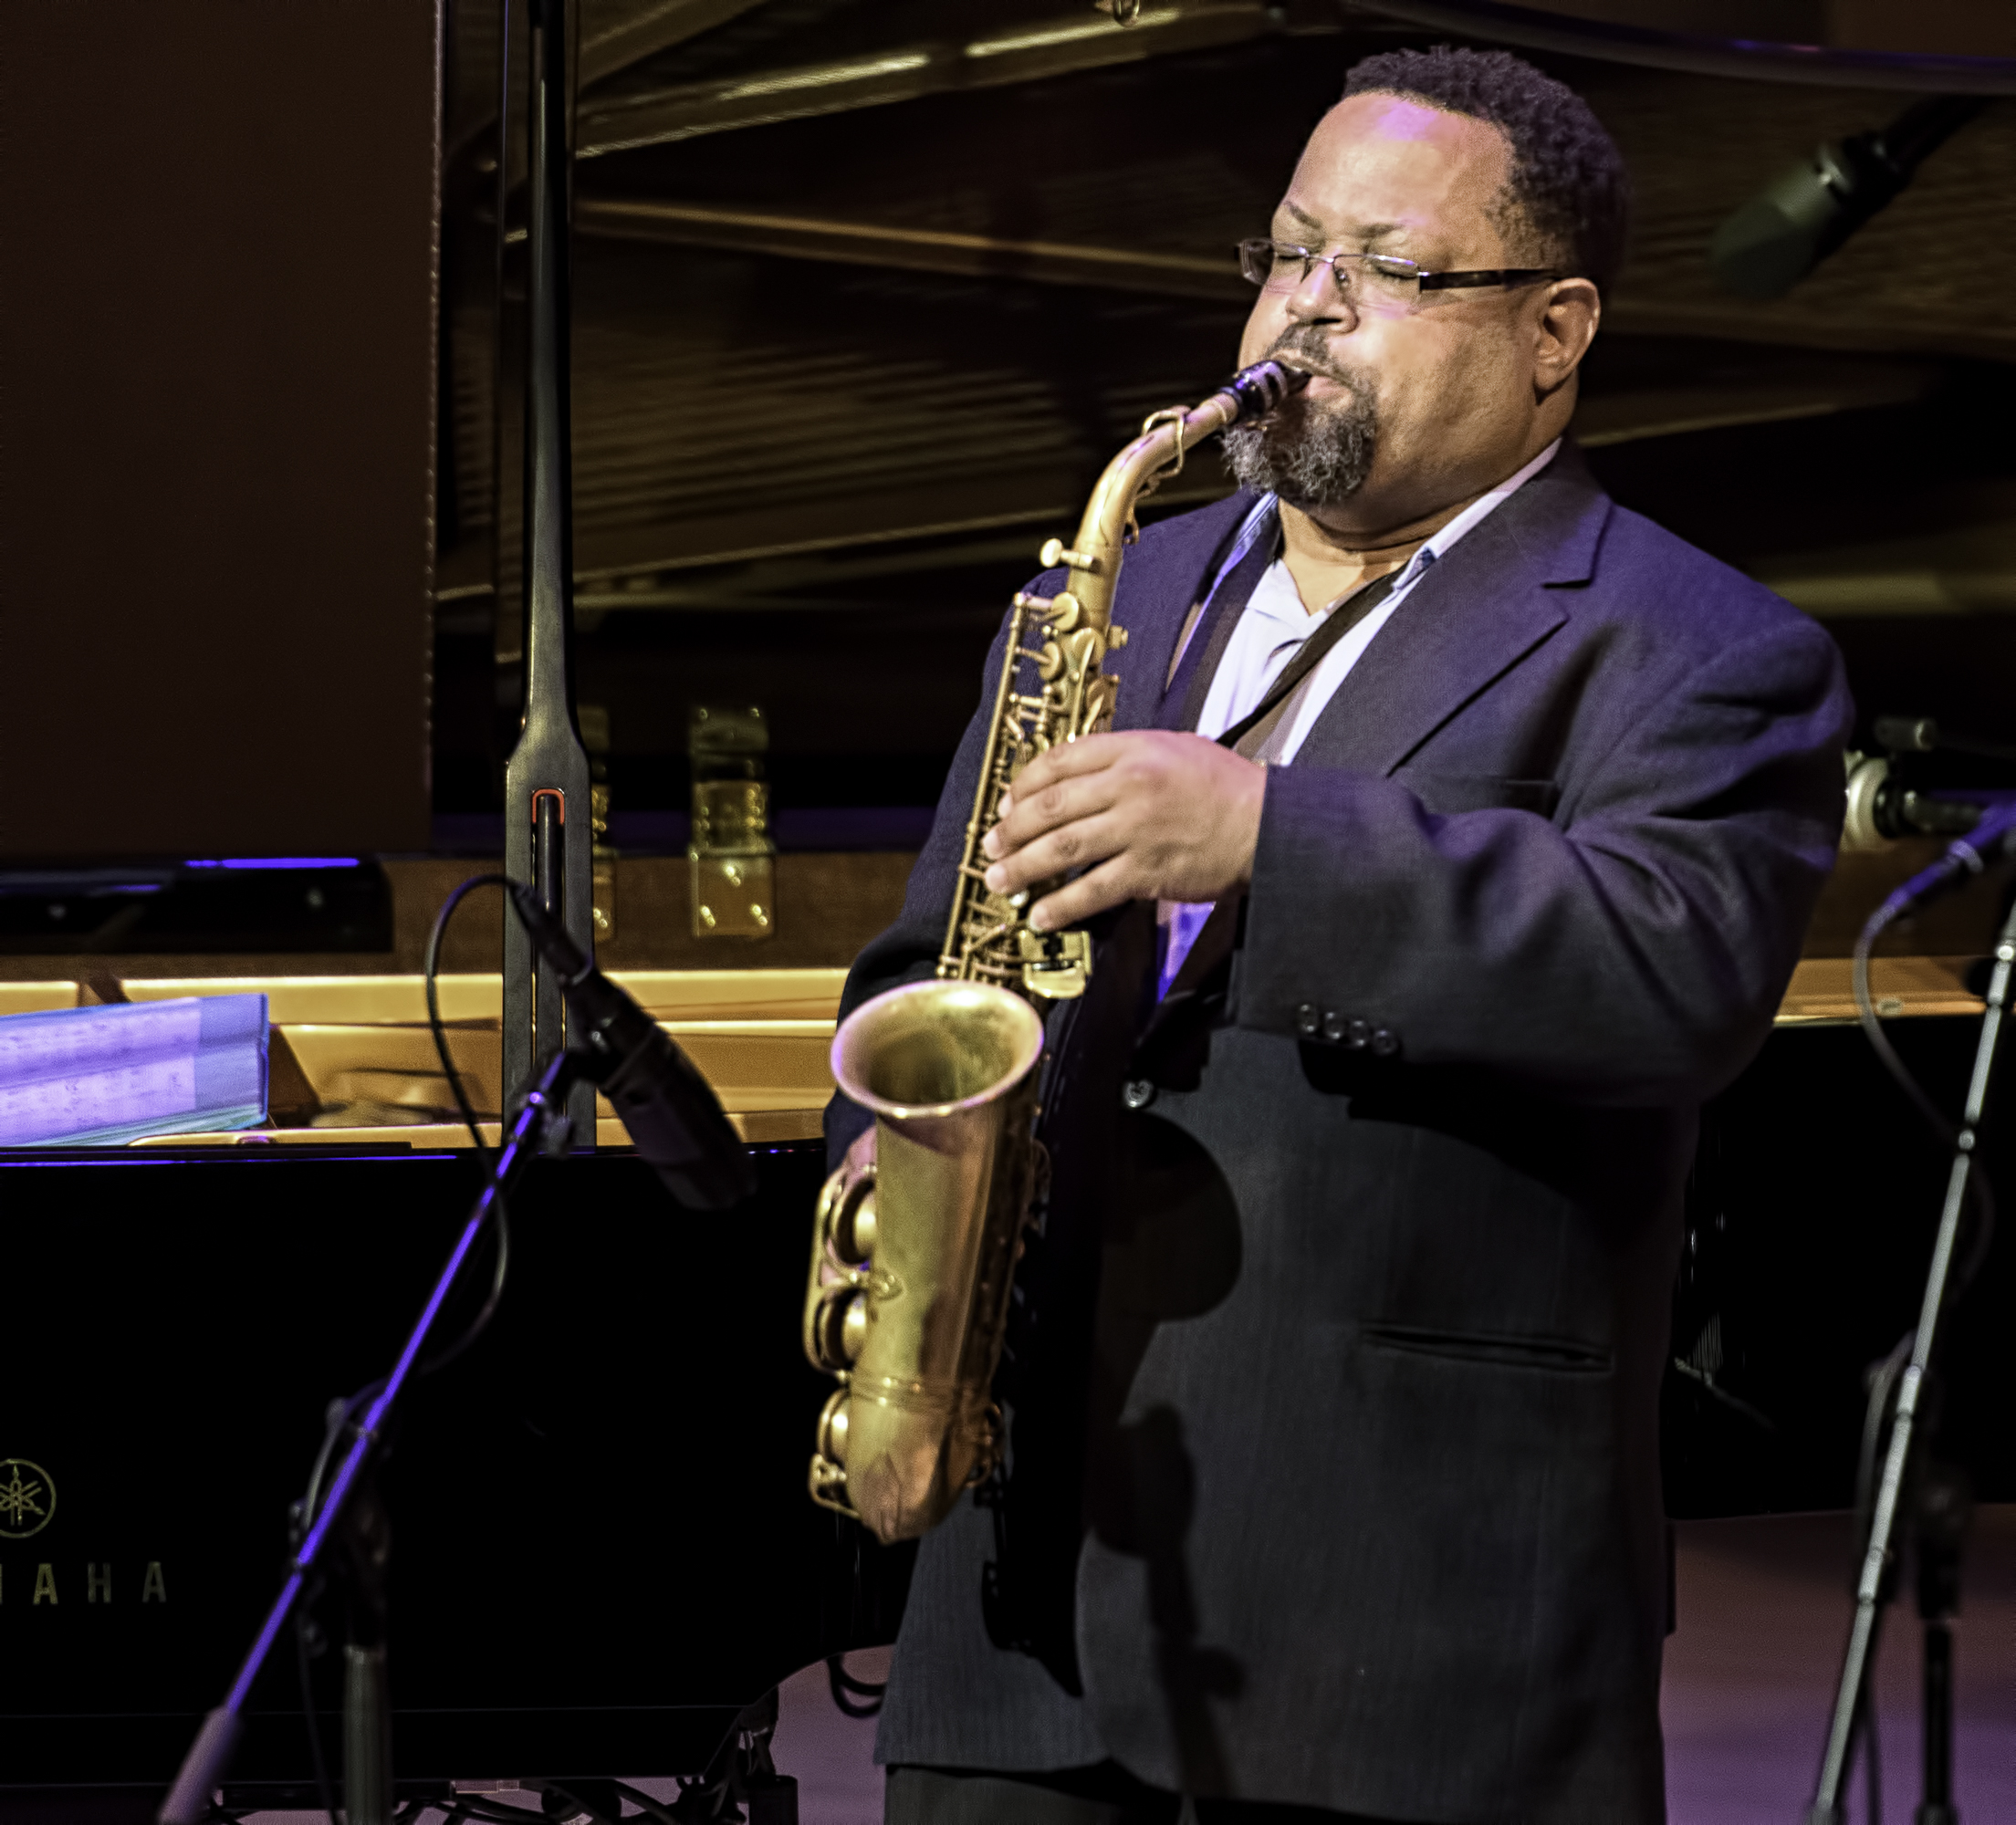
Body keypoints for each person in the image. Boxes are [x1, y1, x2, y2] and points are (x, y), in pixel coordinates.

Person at [824, 44, 1852, 1825]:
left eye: (1381, 269)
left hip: (1405, 1627)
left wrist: (1267, 843)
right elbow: (935, 962)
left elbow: (1670, 976)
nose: (1301, 314)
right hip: (1016, 1617)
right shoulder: (1112, 588)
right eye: (1288, 255)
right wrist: (893, 1189)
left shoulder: (1701, 648)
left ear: (1553, 329)